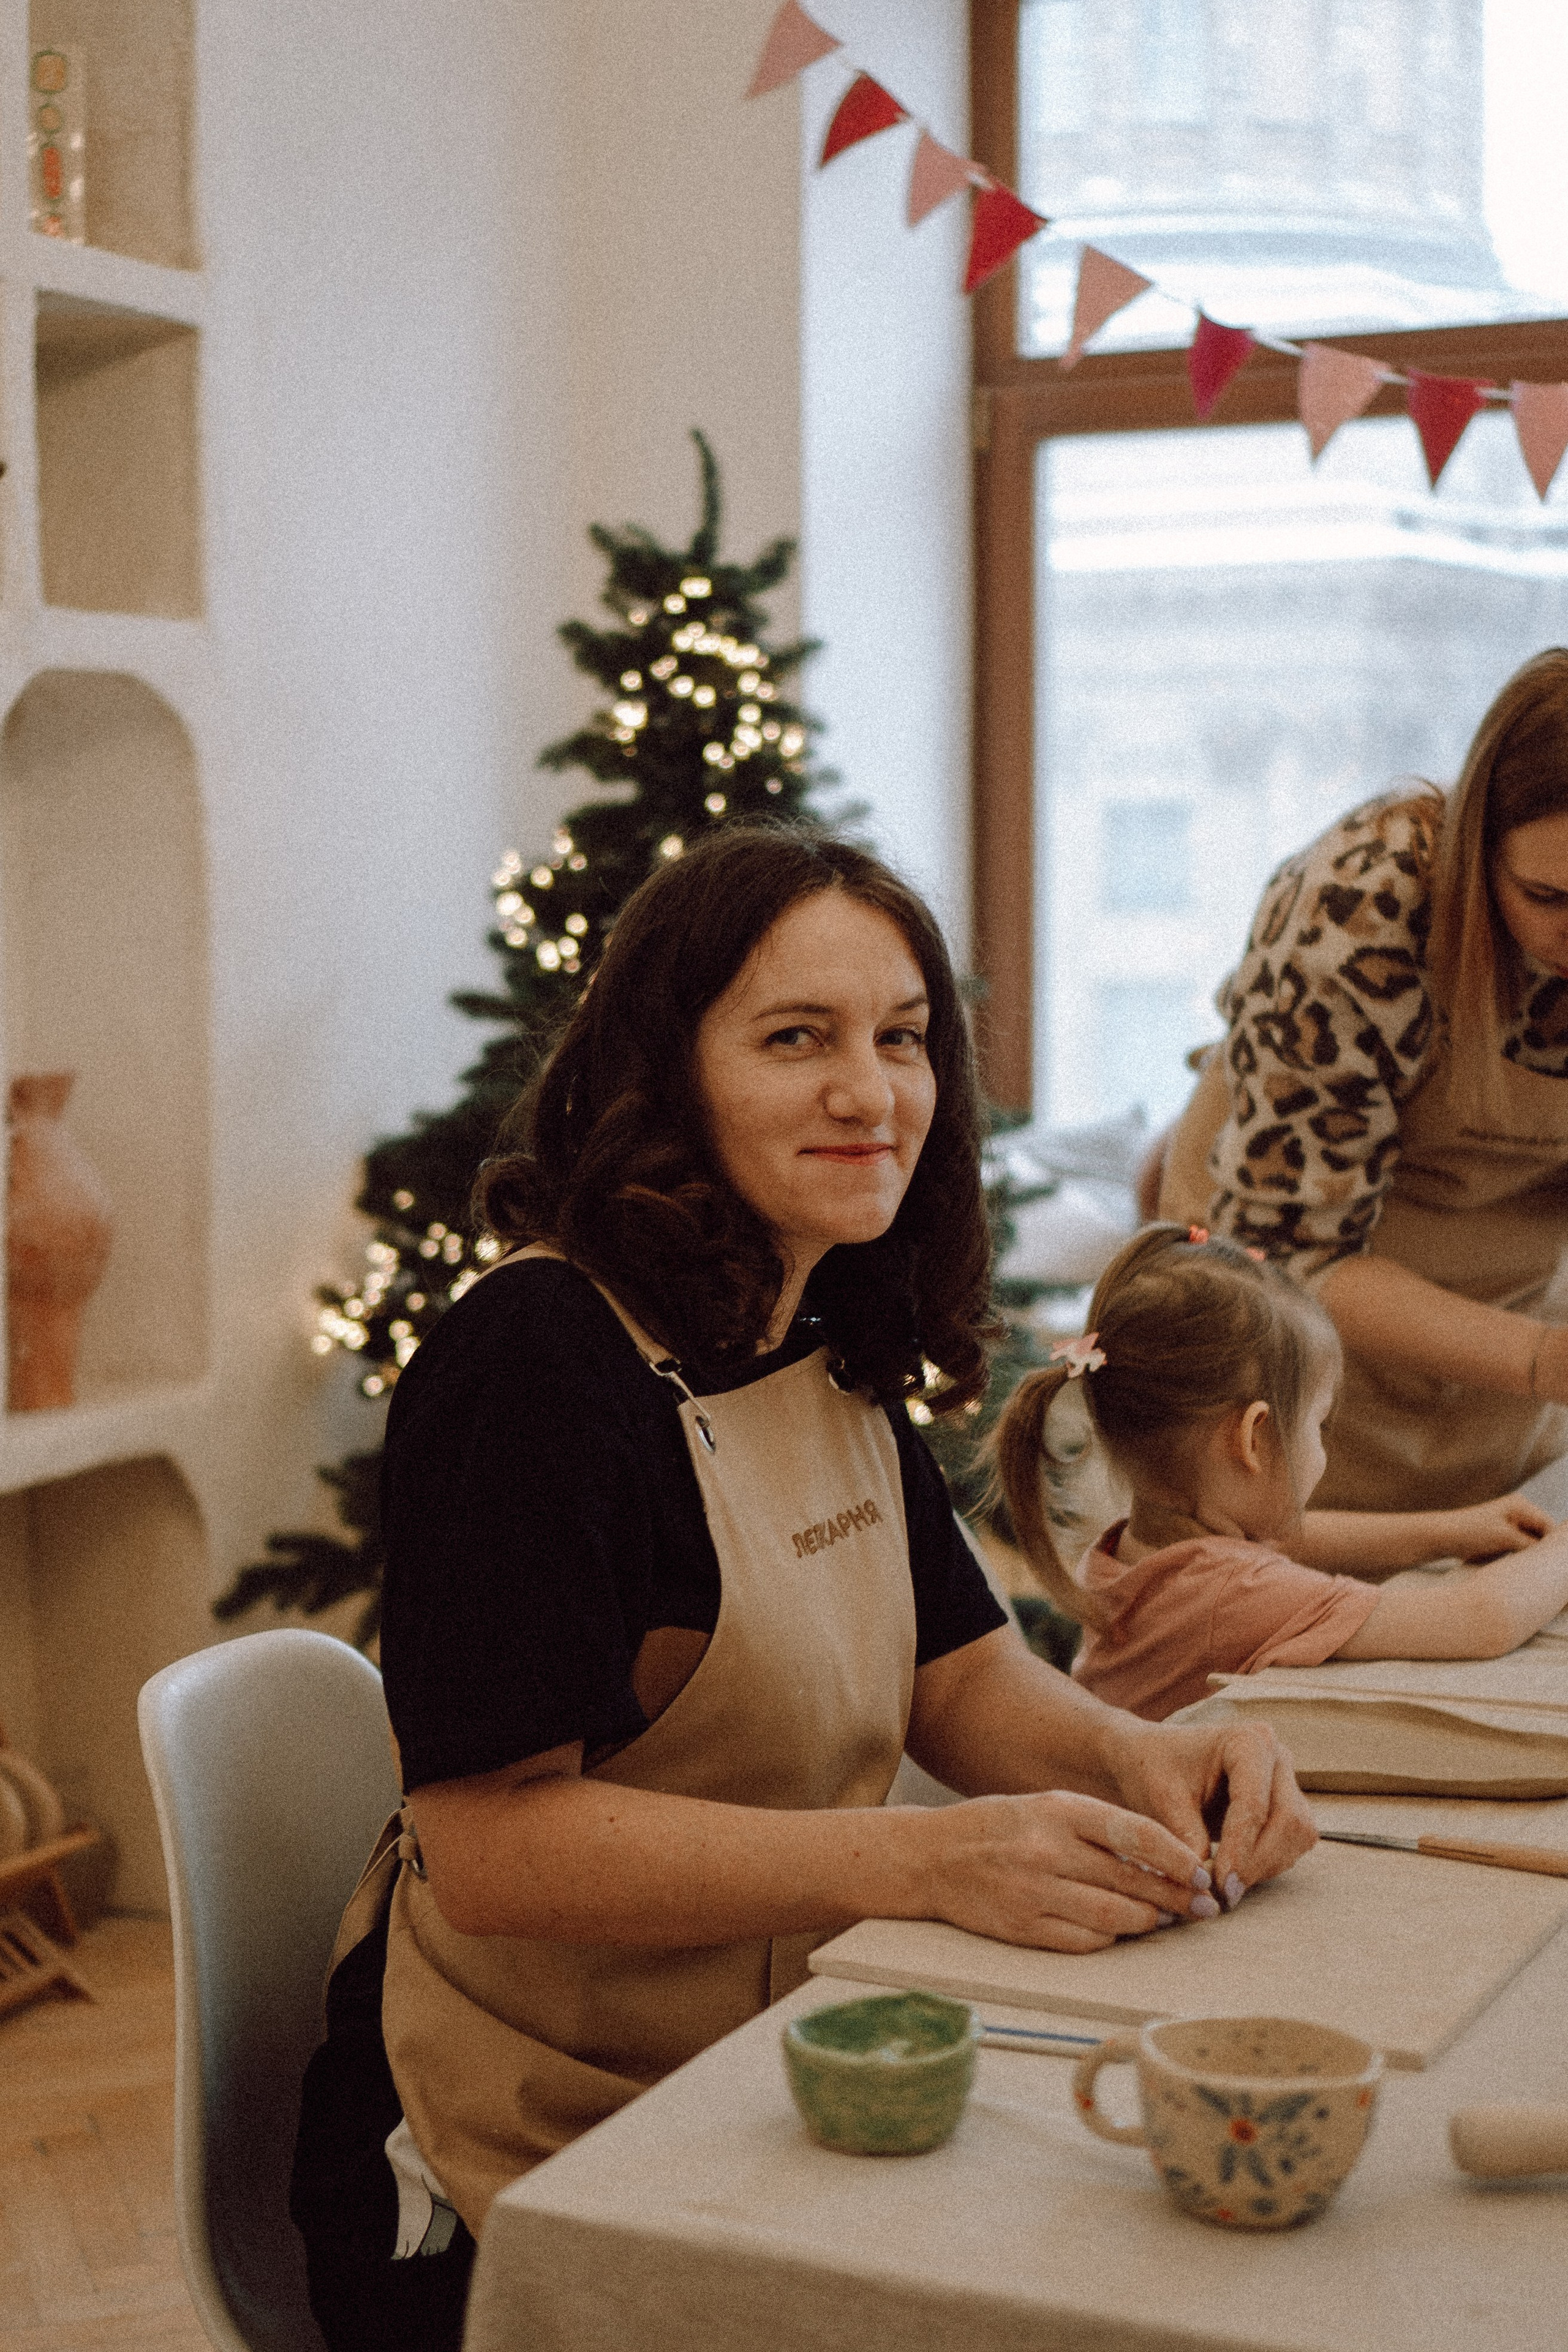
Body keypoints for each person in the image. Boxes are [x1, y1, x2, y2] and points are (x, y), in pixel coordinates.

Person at [290, 826, 1316, 2352]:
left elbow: (957, 1673)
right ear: (665, 1071)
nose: (869, 1091)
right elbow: (491, 1846)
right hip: (512, 2159)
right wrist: (925, 1860)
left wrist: (1139, 1757)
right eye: (794, 1038)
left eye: (900, 1038)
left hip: (763, 2063)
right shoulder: (537, 1362)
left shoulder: (817, 1324)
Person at [1158, 649, 1568, 1513]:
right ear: (1476, 847)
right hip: (1290, 1349)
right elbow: (1286, 1252)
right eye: (1549, 898)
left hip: (1511, 1340)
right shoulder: (1357, 911)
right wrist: (1540, 1360)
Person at [993, 1224, 1568, 1724]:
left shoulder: (1135, 1547)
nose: (1324, 1446)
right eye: (1320, 1424)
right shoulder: (1230, 1597)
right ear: (1252, 1438)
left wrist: (1449, 1530)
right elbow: (1481, 1621)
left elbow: (1287, 1542)